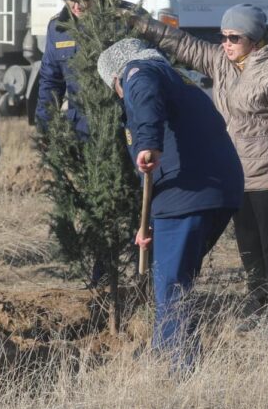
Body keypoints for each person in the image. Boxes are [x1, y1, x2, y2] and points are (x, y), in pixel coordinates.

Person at [127, 4, 268, 305]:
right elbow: (184, 44)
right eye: (223, 36)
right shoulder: (221, 61)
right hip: (237, 173)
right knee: (249, 245)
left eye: (234, 37)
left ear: (254, 39)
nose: (226, 43)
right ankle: (258, 300)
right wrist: (141, 24)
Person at [97, 38, 243, 371]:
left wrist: (147, 143)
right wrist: (148, 222)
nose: (120, 95)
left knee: (172, 283)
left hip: (188, 192)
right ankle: (163, 352)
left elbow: (143, 96)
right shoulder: (177, 79)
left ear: (117, 76)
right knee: (173, 277)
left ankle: (181, 368)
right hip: (215, 189)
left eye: (115, 89)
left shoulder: (138, 70)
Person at [35, 0, 98, 139]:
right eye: (71, 0)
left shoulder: (119, 23)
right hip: (80, 129)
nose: (77, 7)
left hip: (119, 128)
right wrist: (44, 128)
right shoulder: (58, 29)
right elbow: (50, 82)